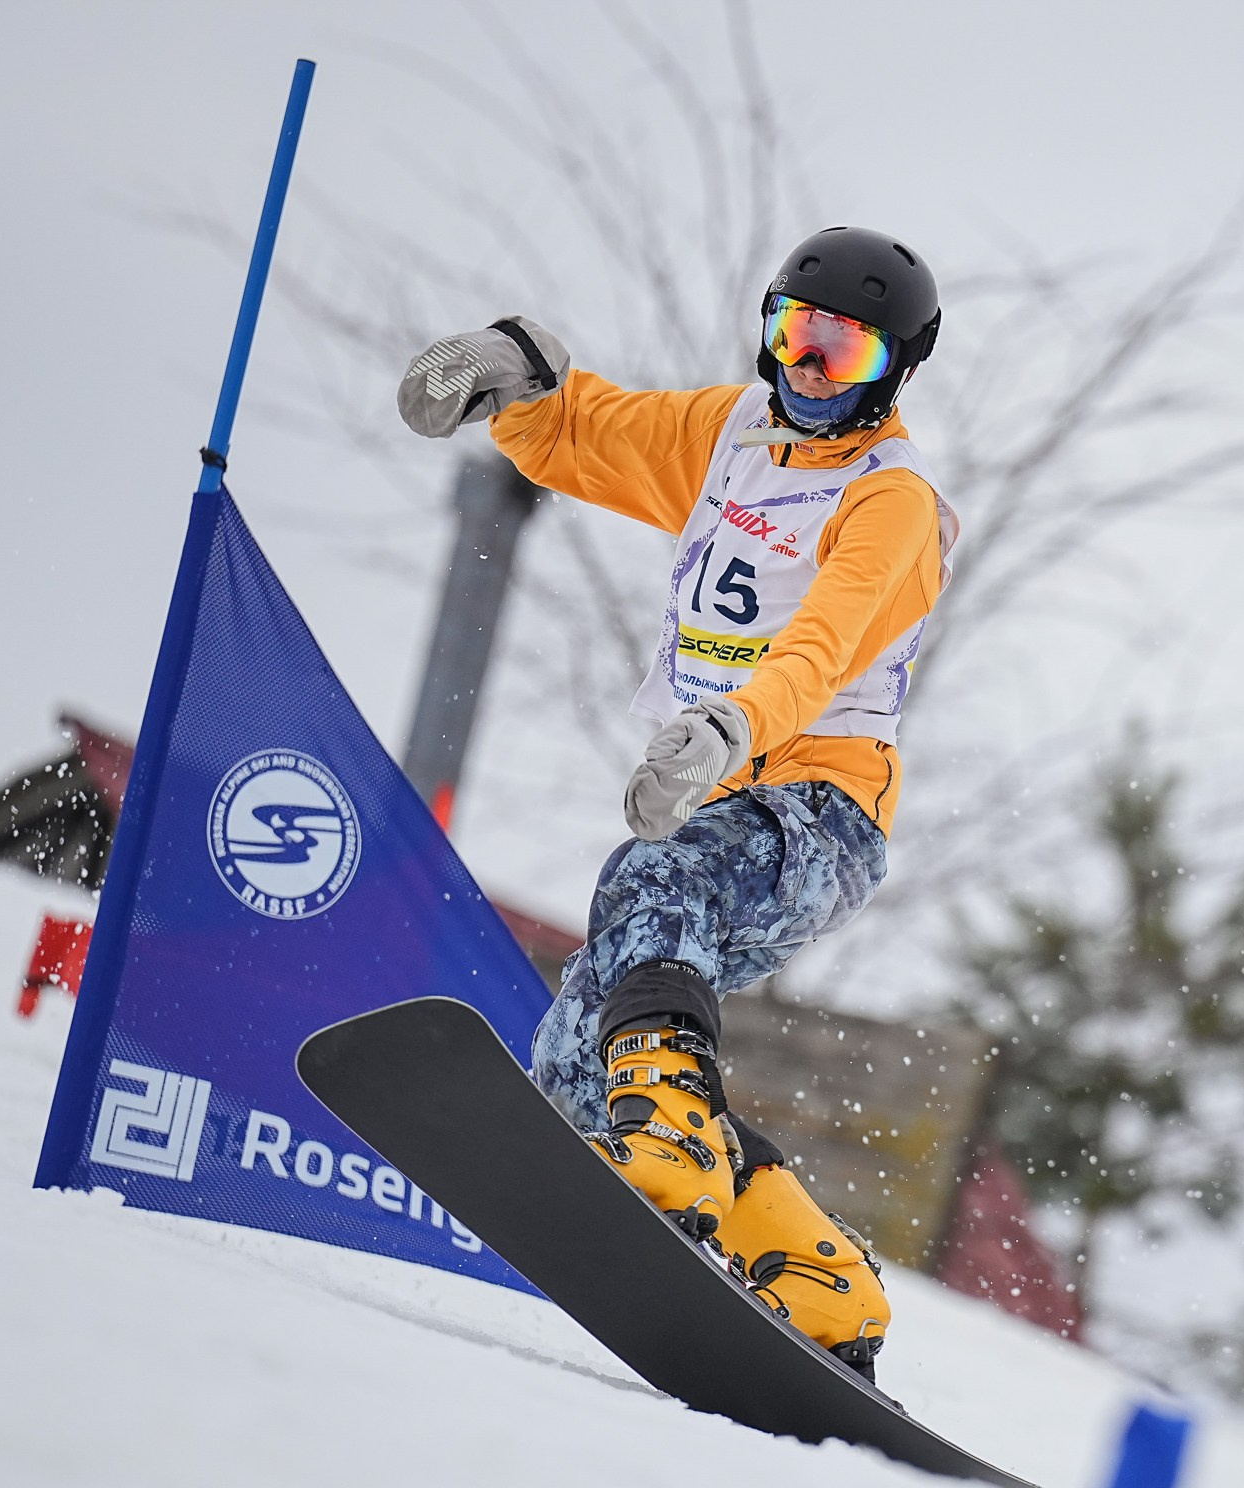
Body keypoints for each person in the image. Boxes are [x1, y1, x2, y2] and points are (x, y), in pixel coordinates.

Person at [393, 227, 953, 1380]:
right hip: (716, 787)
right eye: (795, 336)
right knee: (573, 1081)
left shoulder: (891, 503)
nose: (808, 369)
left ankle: (678, 1141)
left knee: (653, 879)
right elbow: (598, 436)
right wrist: (527, 379)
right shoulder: (731, 437)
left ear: (893, 370)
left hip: (819, 812)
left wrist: (731, 727)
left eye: (841, 354)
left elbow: (825, 641)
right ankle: (818, 1276)